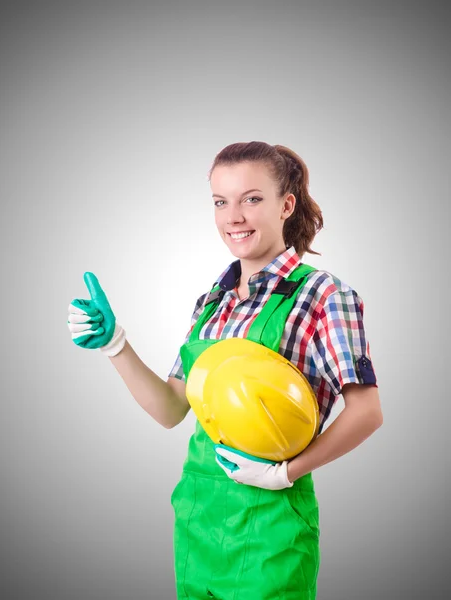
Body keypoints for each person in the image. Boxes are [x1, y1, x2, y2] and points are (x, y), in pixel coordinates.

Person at [67, 141, 383, 600]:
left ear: (285, 205)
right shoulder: (211, 301)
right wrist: (116, 345)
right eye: (221, 201)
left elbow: (367, 412)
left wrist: (286, 473)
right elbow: (172, 408)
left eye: (251, 199)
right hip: (198, 520)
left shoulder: (324, 295)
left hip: (272, 528)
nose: (233, 216)